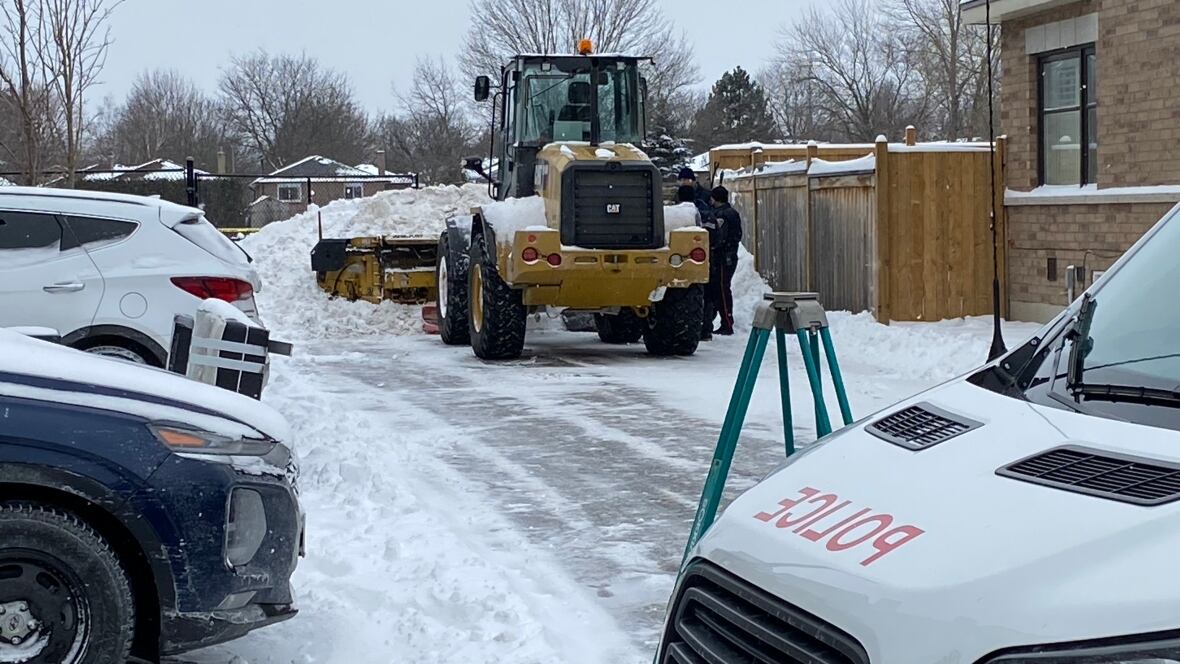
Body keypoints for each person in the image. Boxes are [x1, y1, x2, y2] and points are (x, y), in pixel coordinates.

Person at [708, 186, 742, 336]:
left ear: (715, 198)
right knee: (720, 289)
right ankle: (723, 321)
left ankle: (727, 323)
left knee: (722, 290)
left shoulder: (721, 215)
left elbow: (719, 237)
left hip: (723, 257)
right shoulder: (733, 213)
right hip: (730, 255)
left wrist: (714, 247)